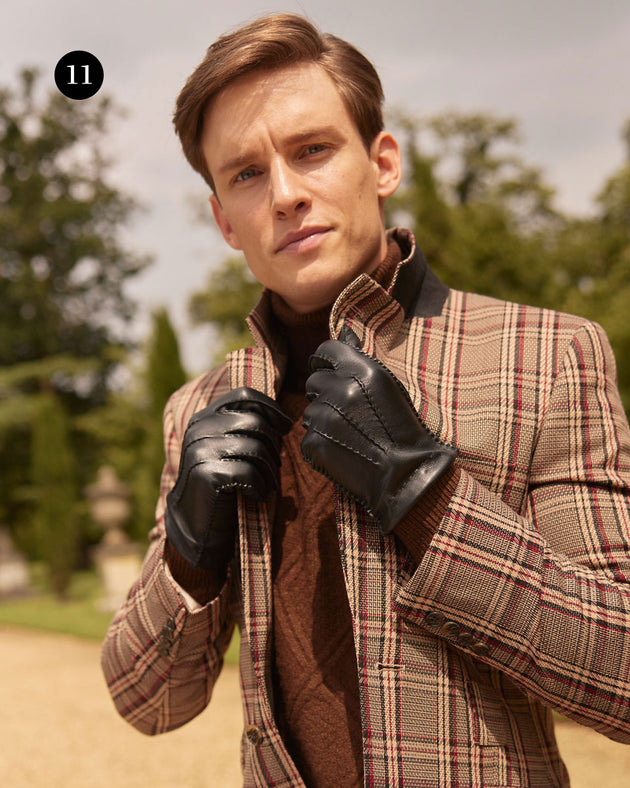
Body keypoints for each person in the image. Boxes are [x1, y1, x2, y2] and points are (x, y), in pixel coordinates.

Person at [101, 13, 630, 787]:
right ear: (223, 220)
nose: (285, 194)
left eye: (312, 150)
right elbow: (146, 701)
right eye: (245, 173)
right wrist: (188, 543)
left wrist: (429, 497)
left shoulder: (546, 358)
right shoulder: (199, 408)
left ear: (381, 163)